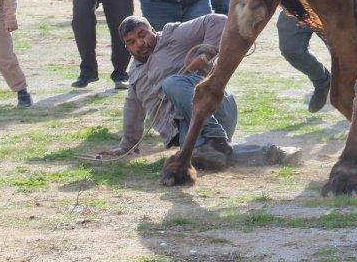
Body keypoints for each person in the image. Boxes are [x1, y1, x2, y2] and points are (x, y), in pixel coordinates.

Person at [95, 15, 299, 175]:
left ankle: (214, 138)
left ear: (152, 30)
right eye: (132, 42)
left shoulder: (173, 35)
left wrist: (205, 54)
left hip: (215, 106)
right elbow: (133, 109)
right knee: (198, 154)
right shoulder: (135, 75)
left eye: (142, 34)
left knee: (171, 83)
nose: (140, 43)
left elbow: (219, 22)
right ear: (127, 47)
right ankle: (275, 154)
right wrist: (127, 146)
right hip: (188, 126)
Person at [277, 9, 332, 112]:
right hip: (297, 2)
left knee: (345, 53)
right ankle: (323, 82)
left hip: (333, 2)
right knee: (290, 48)